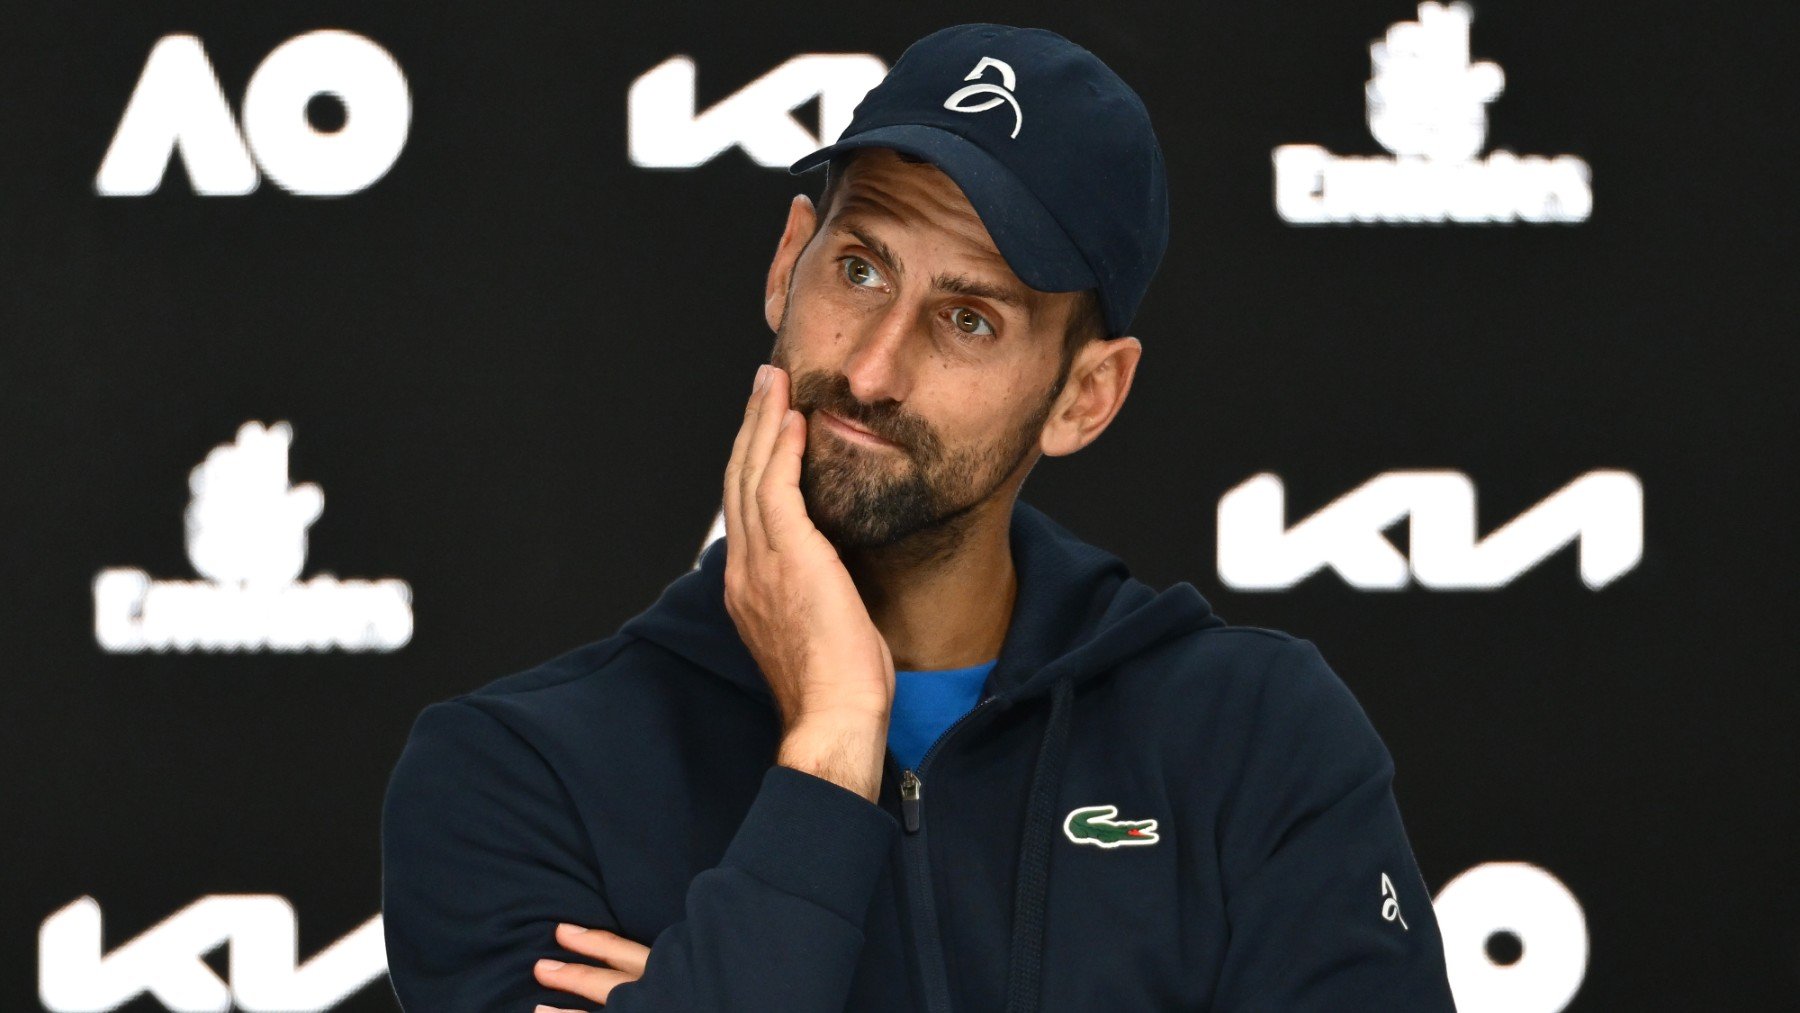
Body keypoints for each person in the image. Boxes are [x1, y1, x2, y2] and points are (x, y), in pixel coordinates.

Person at [380, 22, 1456, 1011]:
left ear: (1088, 395)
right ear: (784, 260)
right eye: (858, 268)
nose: (873, 366)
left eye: (969, 318)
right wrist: (834, 737)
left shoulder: (1254, 738)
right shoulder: (518, 772)